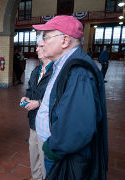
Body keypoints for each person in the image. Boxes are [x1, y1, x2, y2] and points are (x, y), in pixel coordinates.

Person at [32, 15, 108, 179]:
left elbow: (78, 127)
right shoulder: (63, 64)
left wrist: (52, 150)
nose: (42, 43)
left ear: (65, 41)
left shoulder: (78, 72)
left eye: (46, 37)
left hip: (63, 155)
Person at [20, 33, 53, 180]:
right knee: (33, 150)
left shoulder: (56, 71)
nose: (37, 50)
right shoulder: (36, 70)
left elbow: (58, 97)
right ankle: (36, 176)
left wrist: (38, 103)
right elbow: (30, 89)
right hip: (33, 120)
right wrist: (27, 97)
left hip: (46, 122)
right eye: (37, 46)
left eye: (41, 46)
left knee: (44, 154)